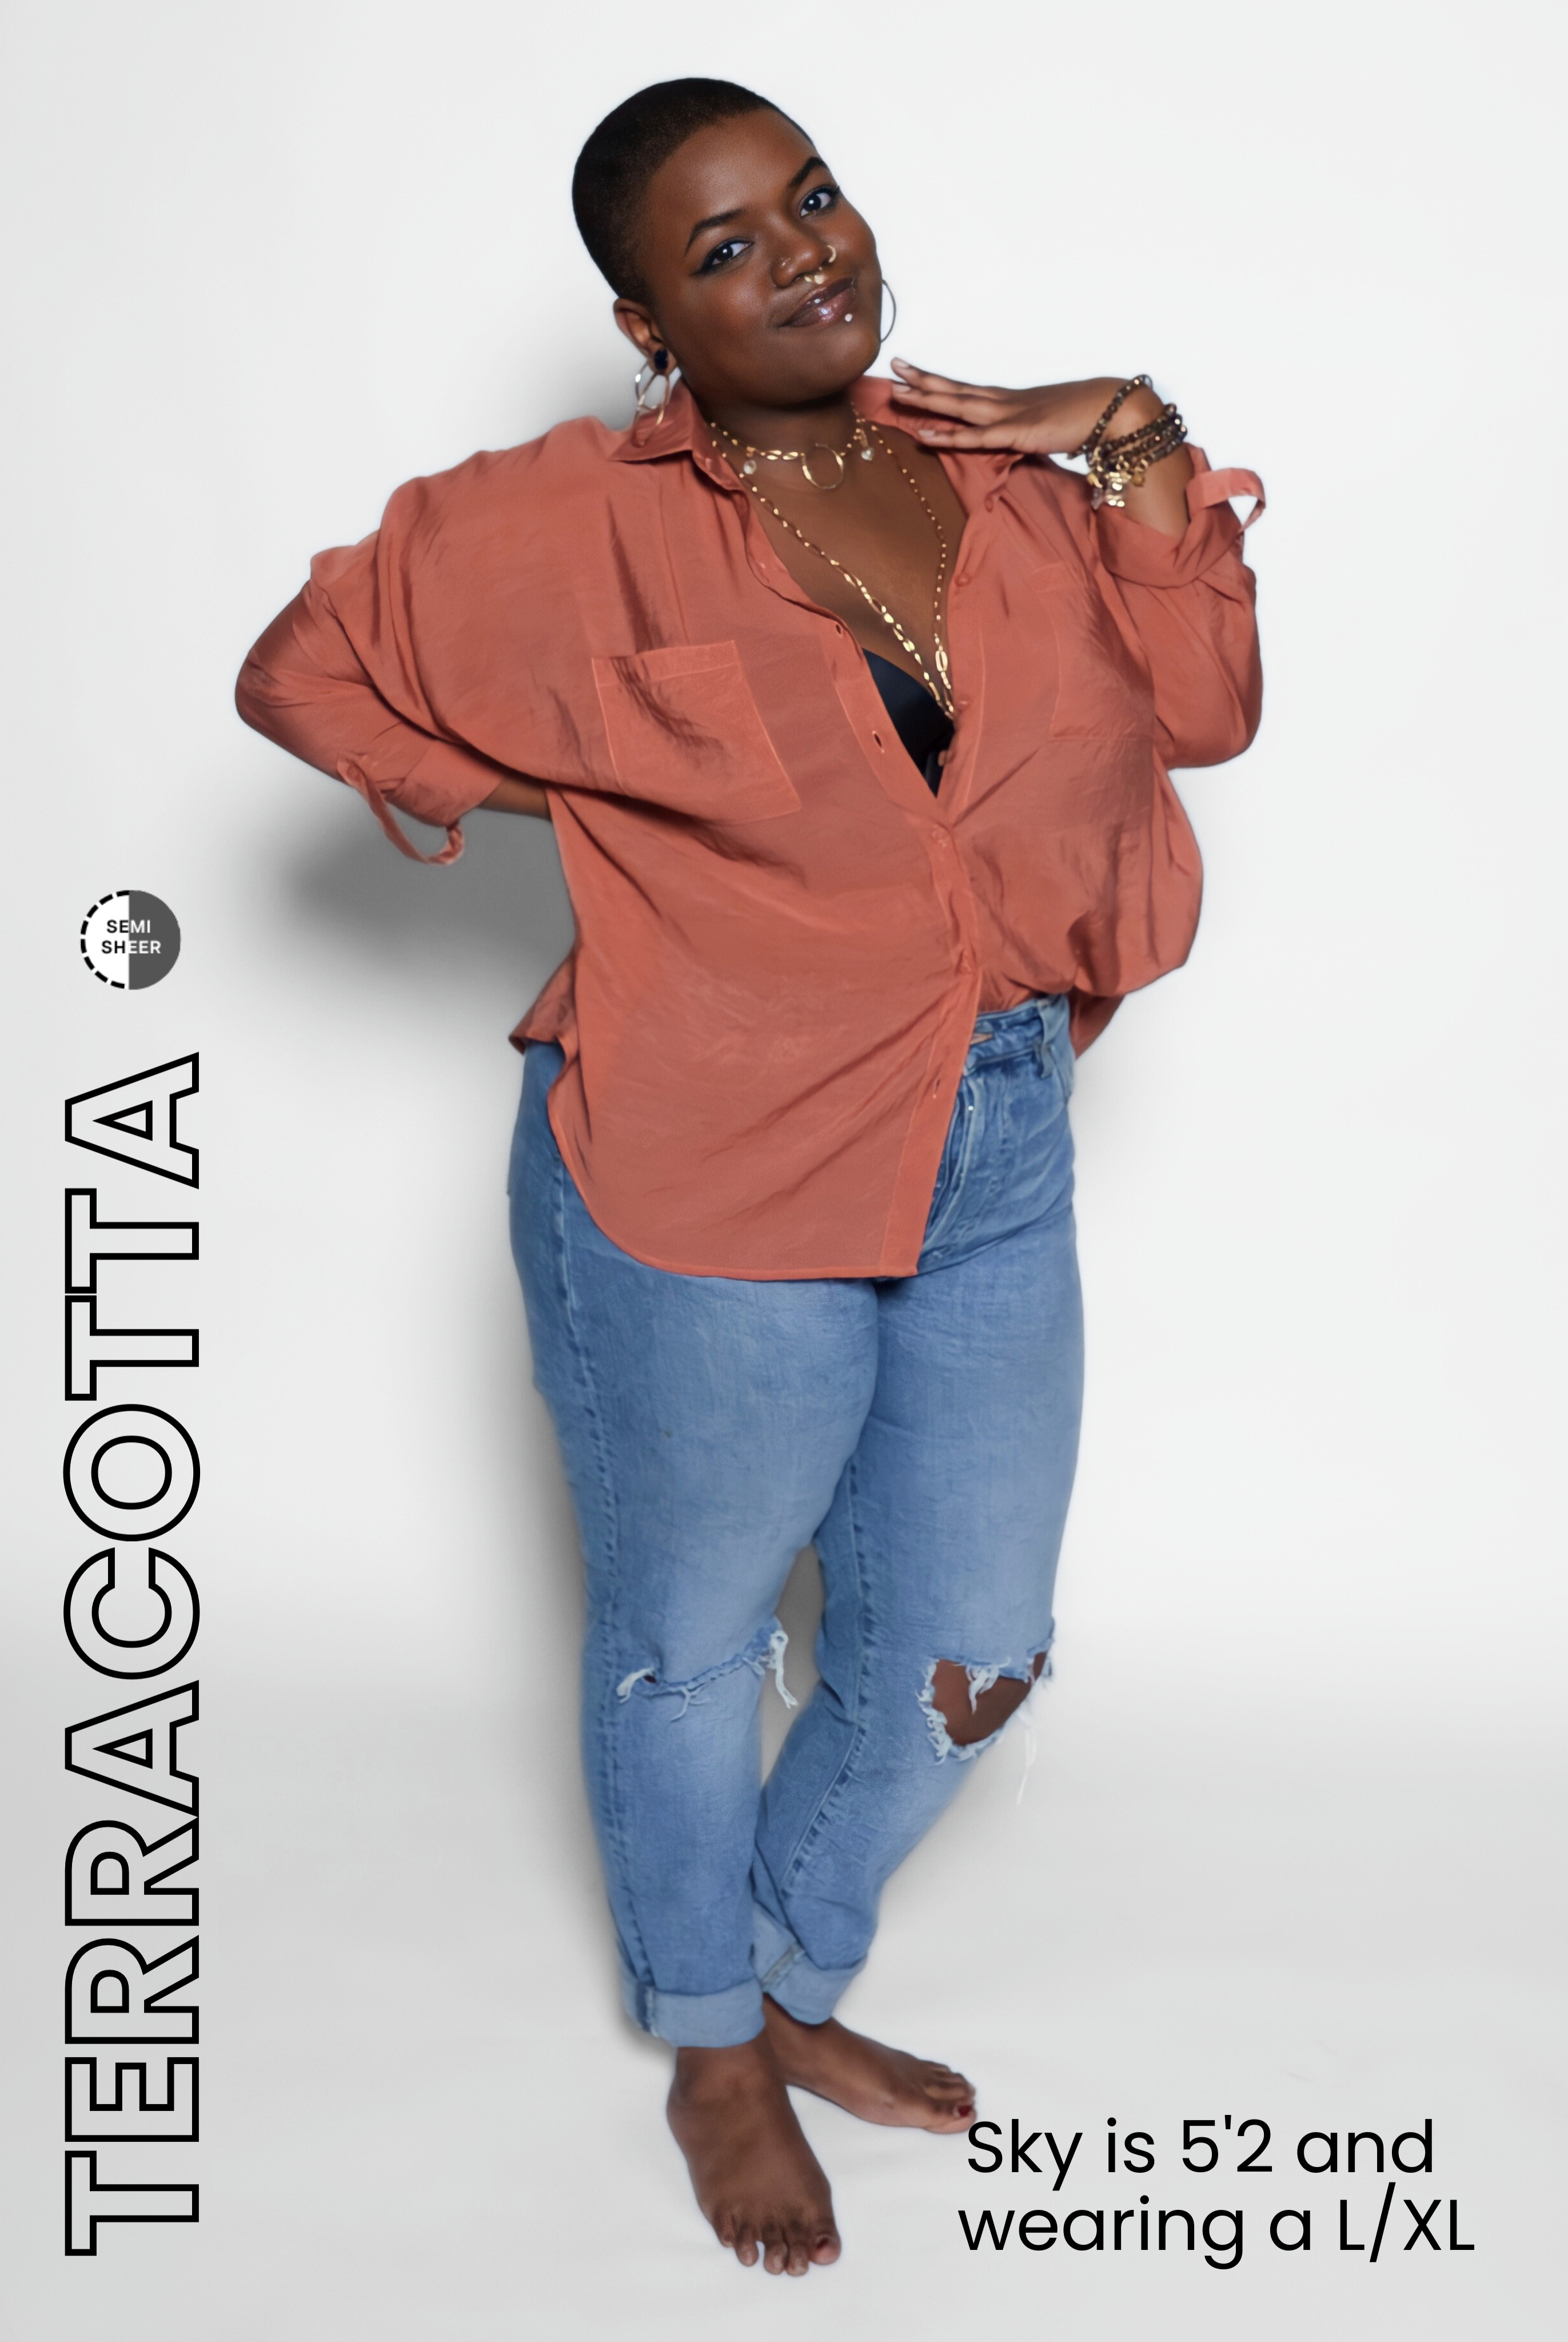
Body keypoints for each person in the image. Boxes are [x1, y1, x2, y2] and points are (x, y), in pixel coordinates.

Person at [236, 76, 1263, 2279]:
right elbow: (303, 673)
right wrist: (583, 800)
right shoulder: (558, 525)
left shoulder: (1004, 480)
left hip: (992, 1133)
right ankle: (712, 2044)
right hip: (700, 1155)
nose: (801, 253)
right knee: (691, 1650)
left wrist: (1134, 439)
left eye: (809, 197)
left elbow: (1202, 706)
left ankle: (790, 1971)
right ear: (646, 322)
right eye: (724, 248)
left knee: (973, 1643)